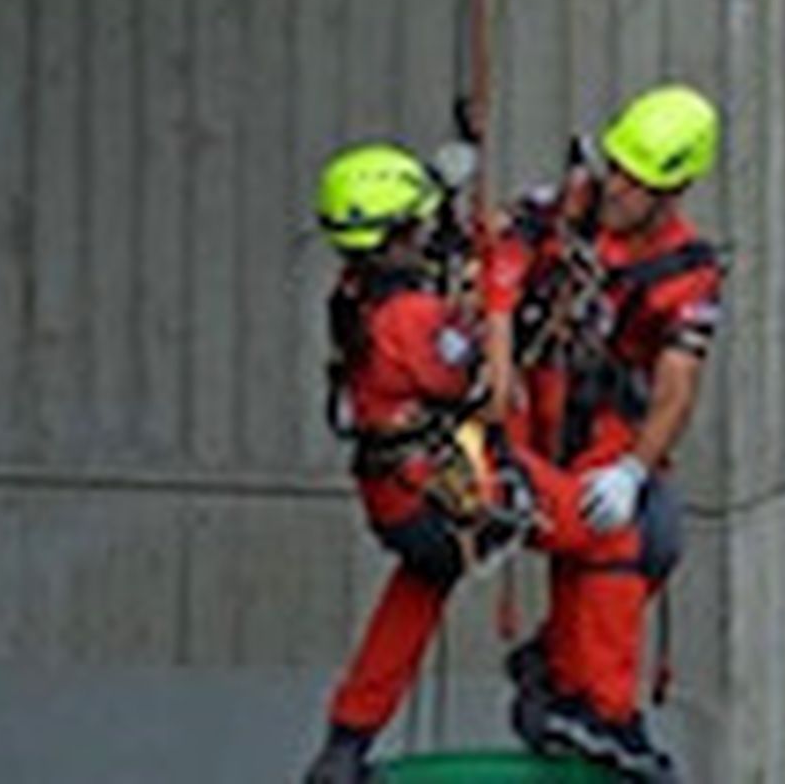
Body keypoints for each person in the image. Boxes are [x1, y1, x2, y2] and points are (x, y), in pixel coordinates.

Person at [486, 86, 723, 783]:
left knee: (654, 530)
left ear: (673, 186)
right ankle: (597, 703)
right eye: (615, 166)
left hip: (600, 413)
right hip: (526, 398)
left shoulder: (688, 270)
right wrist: (500, 351)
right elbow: (502, 252)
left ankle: (561, 672)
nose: (616, 185)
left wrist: (633, 470)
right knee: (610, 540)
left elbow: (677, 385)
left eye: (635, 179)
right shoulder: (568, 202)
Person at [301, 139, 533, 784]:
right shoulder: (408, 318)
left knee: (416, 596)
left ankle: (349, 735)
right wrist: (502, 286)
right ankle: (570, 684)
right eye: (416, 224)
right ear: (394, 235)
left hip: (400, 500)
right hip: (439, 502)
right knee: (611, 528)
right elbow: (486, 383)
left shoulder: (357, 296)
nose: (423, 233)